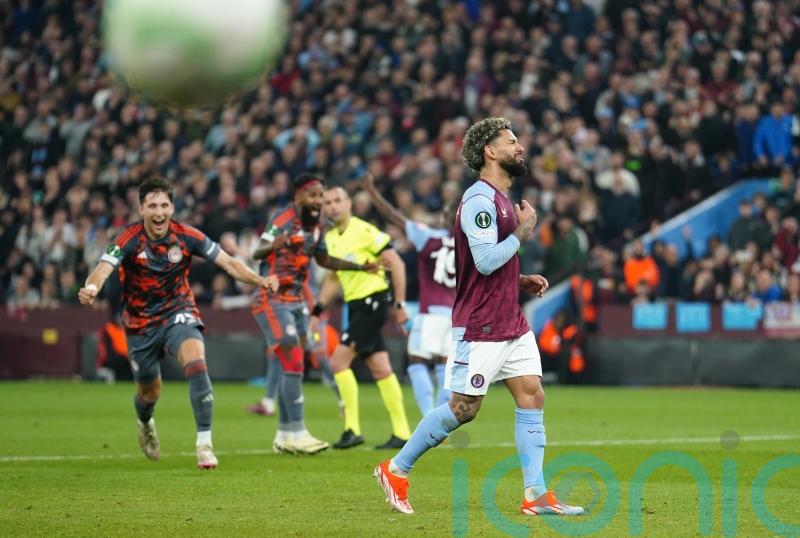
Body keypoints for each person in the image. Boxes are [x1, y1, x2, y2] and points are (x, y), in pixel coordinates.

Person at [373, 117, 585, 515]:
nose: (520, 147)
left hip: (510, 319)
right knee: (464, 408)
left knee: (531, 395)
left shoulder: (502, 199)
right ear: (490, 151)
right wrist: (524, 232)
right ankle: (396, 469)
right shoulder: (479, 201)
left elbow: (484, 263)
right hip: (481, 324)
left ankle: (536, 495)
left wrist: (517, 280)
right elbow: (486, 261)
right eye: (511, 141)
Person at [77, 176, 279, 469]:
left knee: (196, 362)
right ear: (142, 209)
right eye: (152, 206)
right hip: (140, 323)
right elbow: (103, 268)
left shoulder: (187, 236)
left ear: (172, 208)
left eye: (164, 205)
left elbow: (229, 262)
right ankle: (145, 422)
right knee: (149, 392)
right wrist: (92, 288)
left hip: (178, 311)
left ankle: (204, 444)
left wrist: (260, 281)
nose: (159, 212)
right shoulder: (128, 237)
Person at [248, 173, 379, 455]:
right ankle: (298, 432)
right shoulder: (282, 219)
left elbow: (323, 259)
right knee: (294, 359)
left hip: (296, 302)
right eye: (314, 196)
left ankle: (284, 435)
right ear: (298, 197)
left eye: (321, 196)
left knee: (292, 366)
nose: (318, 201)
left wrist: (359, 267)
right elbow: (257, 251)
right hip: (271, 298)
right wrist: (274, 244)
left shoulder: (317, 227)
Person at [312, 186, 411, 449]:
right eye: (328, 202)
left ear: (349, 204)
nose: (333, 206)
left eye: (337, 201)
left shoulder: (365, 231)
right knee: (381, 368)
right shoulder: (331, 238)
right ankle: (402, 432)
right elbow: (335, 277)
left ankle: (351, 429)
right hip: (356, 306)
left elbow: (396, 264)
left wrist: (399, 303)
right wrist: (318, 309)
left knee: (338, 363)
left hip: (372, 302)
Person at [362, 172, 456, 417]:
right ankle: (442, 414)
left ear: (447, 217)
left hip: (431, 312)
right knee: (442, 364)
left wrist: (372, 193)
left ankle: (429, 416)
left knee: (417, 362)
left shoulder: (429, 237)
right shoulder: (471, 247)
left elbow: (394, 217)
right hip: (456, 315)